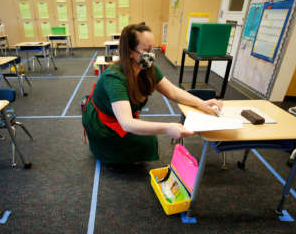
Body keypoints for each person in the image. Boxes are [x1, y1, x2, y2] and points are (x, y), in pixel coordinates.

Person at [82, 23, 222, 169]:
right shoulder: (114, 78)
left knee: (146, 142)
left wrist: (201, 103)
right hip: (103, 123)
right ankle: (106, 152)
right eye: (146, 50)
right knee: (144, 143)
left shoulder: (147, 68)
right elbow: (127, 123)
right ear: (130, 52)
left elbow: (173, 92)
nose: (152, 54)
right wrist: (167, 128)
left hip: (120, 116)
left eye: (153, 49)